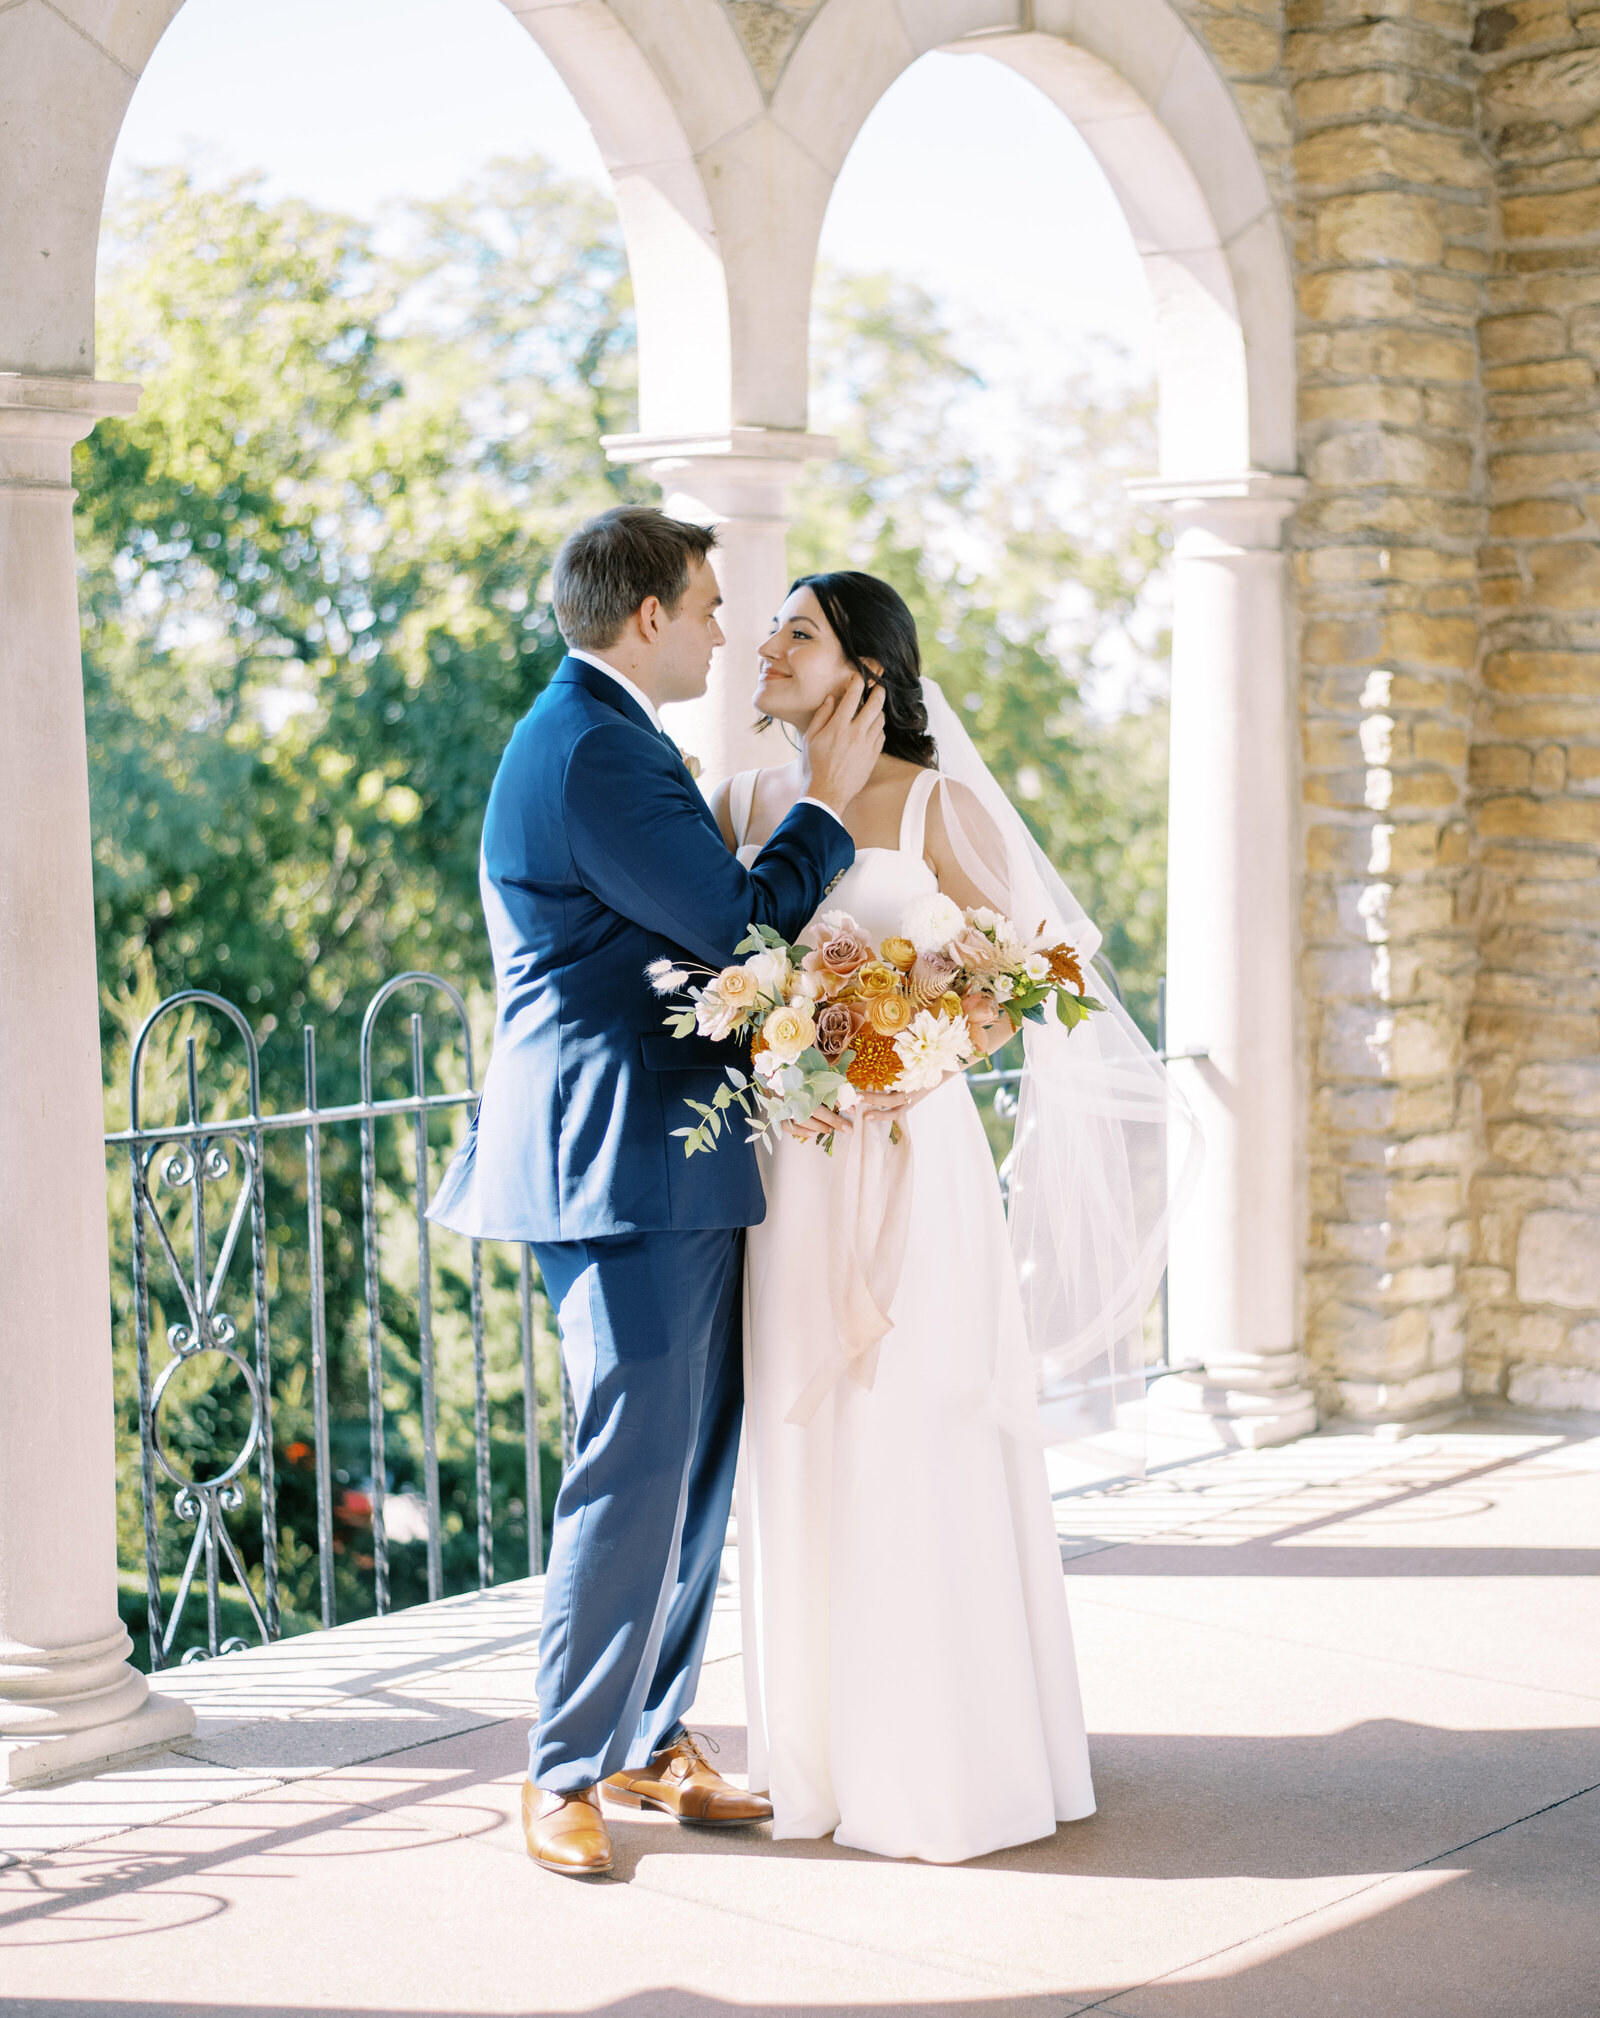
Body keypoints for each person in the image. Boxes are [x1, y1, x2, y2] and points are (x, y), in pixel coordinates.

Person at [428, 509, 886, 1877]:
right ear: (647, 619)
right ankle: (563, 1765)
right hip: (613, 1153)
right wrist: (828, 810)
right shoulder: (594, 750)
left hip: (671, 1154)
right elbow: (742, 927)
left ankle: (650, 1733)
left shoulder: (612, 737)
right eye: (706, 602)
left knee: (692, 1461)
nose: (725, 627)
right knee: (631, 1466)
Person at [712, 572, 1177, 1864]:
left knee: (916, 1431)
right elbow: (718, 965)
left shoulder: (935, 803)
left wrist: (901, 1054)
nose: (768, 644)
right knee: (810, 1439)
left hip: (917, 1163)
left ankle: (947, 1763)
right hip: (795, 1176)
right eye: (770, 627)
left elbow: (1034, 973)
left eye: (798, 632)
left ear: (865, 669)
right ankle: (822, 1762)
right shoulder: (746, 803)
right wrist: (798, 1050)